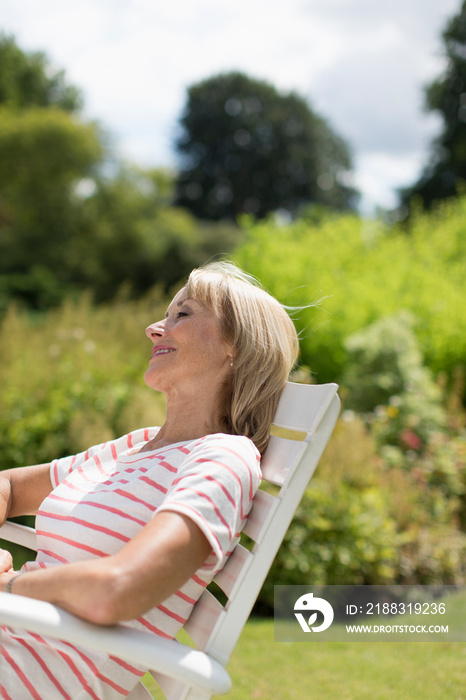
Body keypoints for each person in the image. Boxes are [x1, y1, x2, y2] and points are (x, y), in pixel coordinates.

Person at [0, 261, 299, 699]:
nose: (154, 328)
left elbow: (117, 591)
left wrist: (8, 587)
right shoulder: (135, 447)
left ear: (236, 345)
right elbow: (9, 485)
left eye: (183, 313)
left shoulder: (223, 459)